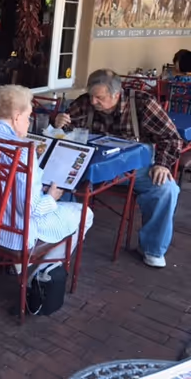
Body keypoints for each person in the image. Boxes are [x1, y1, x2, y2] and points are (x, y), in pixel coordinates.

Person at [55, 69, 182, 268]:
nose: (94, 102)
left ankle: (152, 248)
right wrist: (60, 125)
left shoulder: (142, 103)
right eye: (91, 96)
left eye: (99, 97)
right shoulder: (84, 103)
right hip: (93, 166)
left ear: (117, 94)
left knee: (166, 189)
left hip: (133, 168)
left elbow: (171, 138)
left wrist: (162, 164)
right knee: (57, 180)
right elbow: (67, 135)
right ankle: (57, 239)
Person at [0, 85, 93, 274]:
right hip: (15, 234)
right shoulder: (22, 151)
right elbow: (34, 209)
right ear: (17, 116)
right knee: (85, 212)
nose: (29, 123)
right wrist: (52, 196)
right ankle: (43, 272)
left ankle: (23, 266)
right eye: (28, 117)